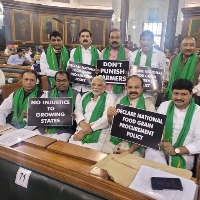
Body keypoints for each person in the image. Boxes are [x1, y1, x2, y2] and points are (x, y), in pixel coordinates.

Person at [145, 79, 200, 170]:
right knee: (152, 161)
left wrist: (176, 150)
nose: (178, 97)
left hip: (183, 156)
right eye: (176, 93)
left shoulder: (198, 112)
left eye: (183, 94)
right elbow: (155, 129)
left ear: (191, 95)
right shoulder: (164, 105)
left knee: (170, 178)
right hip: (160, 150)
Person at [102, 75, 155, 156]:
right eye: (130, 87)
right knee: (103, 157)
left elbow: (147, 134)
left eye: (136, 87)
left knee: (128, 163)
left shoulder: (148, 105)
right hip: (115, 140)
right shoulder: (120, 101)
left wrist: (130, 151)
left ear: (142, 88)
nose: (133, 90)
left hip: (135, 146)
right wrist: (109, 116)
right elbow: (112, 125)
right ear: (126, 87)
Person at [68, 76, 114, 151]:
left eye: (99, 85)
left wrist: (84, 131)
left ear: (104, 86)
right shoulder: (86, 95)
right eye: (93, 84)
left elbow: (105, 120)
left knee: (87, 154)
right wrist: (82, 124)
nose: (96, 87)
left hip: (98, 132)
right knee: (69, 150)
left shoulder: (109, 98)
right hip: (81, 128)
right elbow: (78, 110)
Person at [38, 71, 79, 141]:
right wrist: (30, 113)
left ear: (69, 81)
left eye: (64, 81)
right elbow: (38, 110)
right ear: (55, 81)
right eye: (58, 81)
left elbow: (79, 113)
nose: (61, 83)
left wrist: (75, 116)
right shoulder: (47, 94)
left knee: (56, 145)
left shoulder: (76, 94)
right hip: (47, 128)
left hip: (65, 130)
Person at [129, 30, 166, 104]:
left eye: (149, 40)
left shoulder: (160, 55)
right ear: (140, 41)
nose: (146, 42)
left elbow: (164, 75)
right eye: (143, 39)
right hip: (134, 93)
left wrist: (159, 85)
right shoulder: (133, 54)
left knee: (148, 114)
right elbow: (130, 73)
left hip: (151, 94)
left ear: (152, 42)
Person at [164, 36, 200, 103]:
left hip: (191, 98)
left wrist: (190, 92)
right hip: (172, 96)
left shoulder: (198, 61)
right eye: (185, 45)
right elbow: (168, 75)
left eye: (191, 45)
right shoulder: (173, 59)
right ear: (180, 47)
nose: (188, 48)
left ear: (195, 46)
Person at [101, 28, 133, 101]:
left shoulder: (129, 53)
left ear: (121, 39)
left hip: (121, 91)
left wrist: (127, 72)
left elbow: (132, 72)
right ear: (109, 39)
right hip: (106, 89)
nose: (114, 40)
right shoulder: (103, 52)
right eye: (112, 38)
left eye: (117, 38)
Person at [69, 29, 101, 95]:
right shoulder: (73, 51)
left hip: (91, 88)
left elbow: (101, 69)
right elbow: (69, 67)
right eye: (83, 36)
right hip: (76, 87)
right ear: (79, 38)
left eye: (87, 36)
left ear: (91, 39)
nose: (85, 38)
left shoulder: (98, 53)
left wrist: (98, 71)